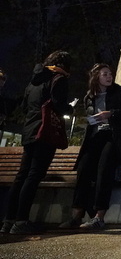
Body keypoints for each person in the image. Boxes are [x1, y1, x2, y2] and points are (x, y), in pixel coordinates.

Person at [2, 50, 74, 235]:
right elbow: (58, 105)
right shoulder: (59, 79)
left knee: (22, 176)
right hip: (45, 132)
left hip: (29, 131)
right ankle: (22, 221)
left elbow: (25, 107)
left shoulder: (34, 81)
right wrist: (69, 108)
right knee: (33, 176)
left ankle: (8, 221)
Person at [58, 63, 121, 231]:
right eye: (105, 74)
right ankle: (77, 215)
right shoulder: (89, 96)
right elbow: (90, 117)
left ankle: (99, 216)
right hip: (95, 137)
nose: (109, 76)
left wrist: (111, 113)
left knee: (104, 169)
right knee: (83, 168)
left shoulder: (120, 91)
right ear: (96, 78)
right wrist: (93, 119)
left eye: (110, 73)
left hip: (115, 137)